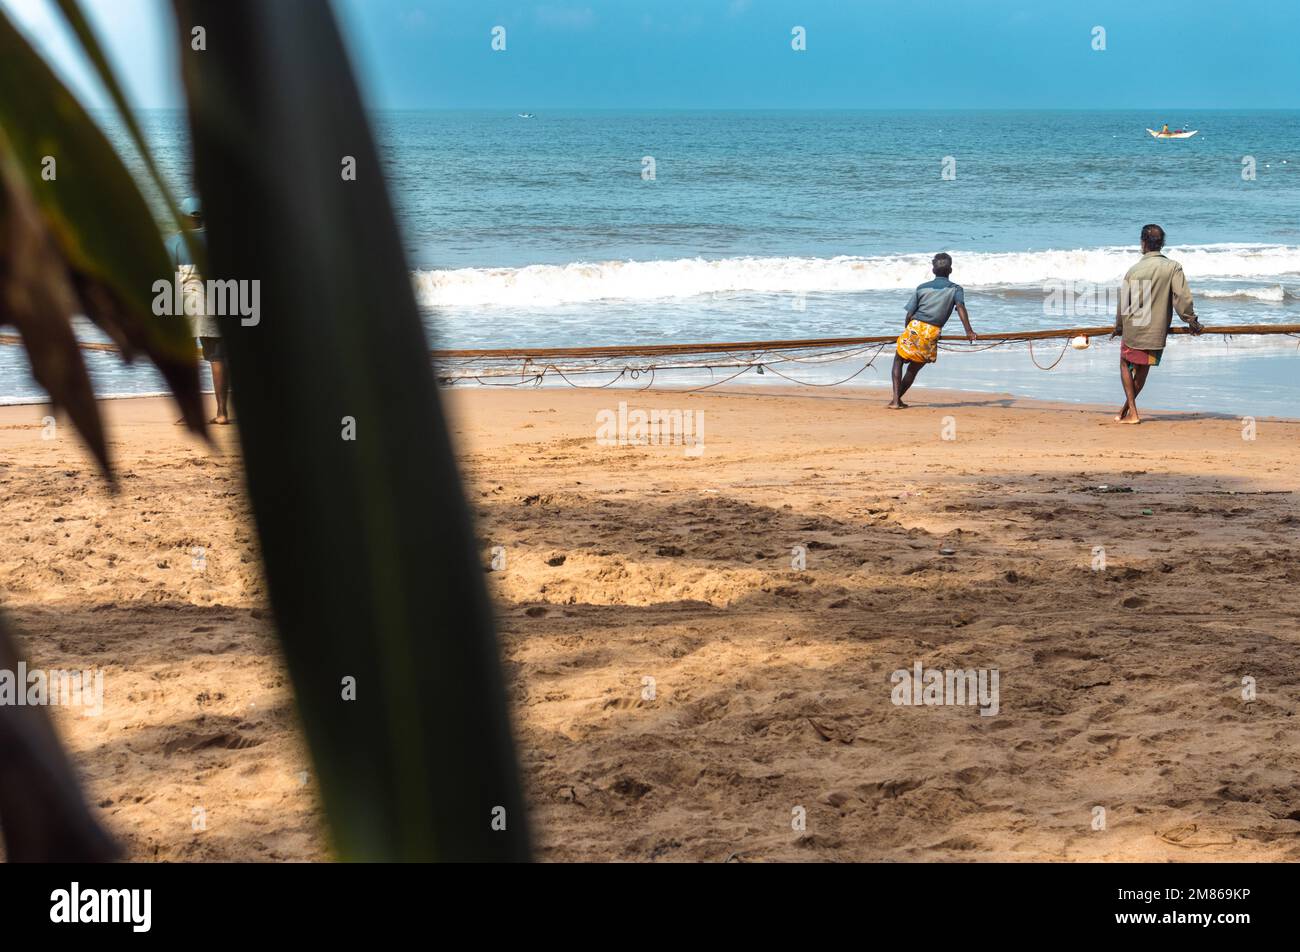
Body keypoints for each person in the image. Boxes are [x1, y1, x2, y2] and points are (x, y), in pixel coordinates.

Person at [1111, 224, 1203, 424]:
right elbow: (1182, 298)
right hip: (1156, 329)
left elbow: (1125, 304)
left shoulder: (1134, 270)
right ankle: (1127, 411)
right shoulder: (1172, 267)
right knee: (1143, 369)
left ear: (1143, 243)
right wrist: (1191, 319)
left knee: (1125, 364)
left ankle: (1132, 412)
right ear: (1162, 244)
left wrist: (1119, 327)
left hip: (1134, 326)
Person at [167, 197, 230, 424]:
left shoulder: (175, 241)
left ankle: (192, 411)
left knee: (184, 356)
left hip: (187, 305)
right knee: (218, 357)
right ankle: (222, 413)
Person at [888, 253, 978, 409]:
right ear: (950, 270)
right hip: (932, 331)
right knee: (914, 368)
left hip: (914, 327)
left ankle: (896, 400)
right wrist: (969, 331)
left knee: (898, 360)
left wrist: (907, 331)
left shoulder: (922, 288)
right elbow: (961, 308)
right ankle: (897, 400)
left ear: (933, 270)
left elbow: (909, 314)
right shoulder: (956, 289)